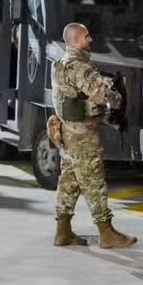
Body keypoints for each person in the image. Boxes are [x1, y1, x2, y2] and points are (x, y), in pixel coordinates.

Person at [50, 22, 135, 249]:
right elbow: (104, 95)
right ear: (76, 40)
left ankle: (63, 231)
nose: (90, 40)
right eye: (86, 36)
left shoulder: (59, 65)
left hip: (67, 133)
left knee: (68, 182)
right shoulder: (81, 68)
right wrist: (116, 97)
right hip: (83, 137)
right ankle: (106, 234)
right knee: (94, 181)